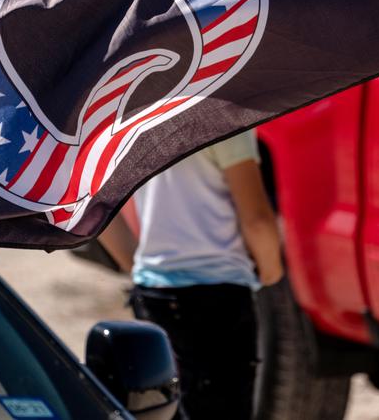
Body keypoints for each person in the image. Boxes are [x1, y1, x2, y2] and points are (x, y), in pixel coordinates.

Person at [101, 129, 284, 420]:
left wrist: (135, 260)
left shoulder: (143, 116)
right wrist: (272, 270)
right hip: (217, 300)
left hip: (153, 294)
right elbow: (258, 221)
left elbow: (93, 201)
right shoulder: (228, 117)